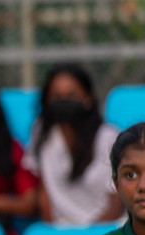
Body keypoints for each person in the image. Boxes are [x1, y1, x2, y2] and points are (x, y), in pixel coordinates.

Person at [25, 65, 122, 225]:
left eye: (71, 95)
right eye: (56, 96)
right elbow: (44, 194)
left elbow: (117, 202)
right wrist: (54, 233)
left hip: (106, 230)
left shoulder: (108, 137)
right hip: (61, 231)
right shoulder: (42, 132)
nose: (63, 101)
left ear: (88, 98)